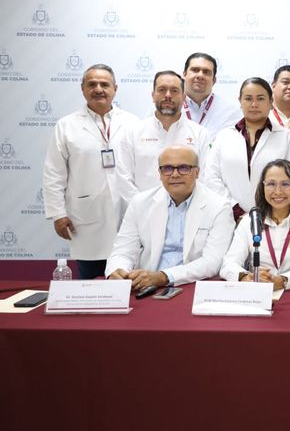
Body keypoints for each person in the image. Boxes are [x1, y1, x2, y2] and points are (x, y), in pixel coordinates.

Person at [42, 64, 140, 279]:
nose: (98, 89)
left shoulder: (133, 123)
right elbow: (54, 173)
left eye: (104, 84)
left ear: (115, 88)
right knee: (91, 283)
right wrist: (58, 213)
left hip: (130, 209)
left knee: (131, 280)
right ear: (82, 88)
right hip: (86, 217)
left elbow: (144, 168)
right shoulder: (66, 125)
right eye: (92, 84)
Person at [105, 145, 234, 289]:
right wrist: (117, 271)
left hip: (192, 285)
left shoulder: (219, 206)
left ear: (197, 172)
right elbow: (122, 251)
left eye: (184, 168)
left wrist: (164, 277)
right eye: (167, 168)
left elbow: (212, 262)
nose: (175, 174)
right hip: (146, 285)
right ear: (159, 173)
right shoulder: (140, 203)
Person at [204, 77, 290, 222]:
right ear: (240, 101)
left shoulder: (286, 137)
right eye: (248, 98)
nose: (254, 104)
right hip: (229, 218)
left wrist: (270, 213)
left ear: (270, 102)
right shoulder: (224, 136)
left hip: (274, 218)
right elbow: (212, 178)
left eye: (261, 98)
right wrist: (236, 211)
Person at [220, 159, 290, 289]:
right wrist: (245, 276)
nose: (278, 191)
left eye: (285, 184)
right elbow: (228, 263)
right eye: (271, 184)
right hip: (257, 290)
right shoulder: (249, 221)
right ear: (263, 187)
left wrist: (284, 280)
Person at [117, 70, 209, 204]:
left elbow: (204, 177)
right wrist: (142, 208)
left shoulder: (199, 134)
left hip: (188, 211)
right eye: (162, 90)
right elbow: (123, 177)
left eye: (174, 91)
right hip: (143, 214)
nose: (168, 95)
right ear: (153, 95)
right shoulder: (132, 132)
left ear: (184, 97)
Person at [181, 52, 241, 139]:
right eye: (195, 70)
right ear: (184, 74)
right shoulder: (169, 107)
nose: (200, 75)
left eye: (206, 72)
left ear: (214, 80)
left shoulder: (232, 112)